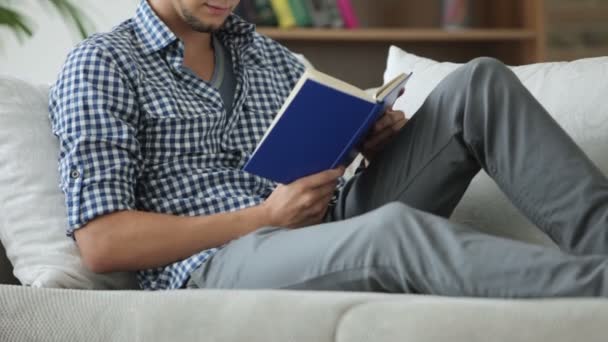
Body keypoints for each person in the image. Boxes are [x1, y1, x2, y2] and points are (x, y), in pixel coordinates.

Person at [49, 0, 608, 296]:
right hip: (218, 260)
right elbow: (102, 241)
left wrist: (369, 141)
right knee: (390, 233)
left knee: (479, 84)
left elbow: (316, 158)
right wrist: (264, 217)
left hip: (327, 218)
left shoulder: (264, 54)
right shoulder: (103, 64)